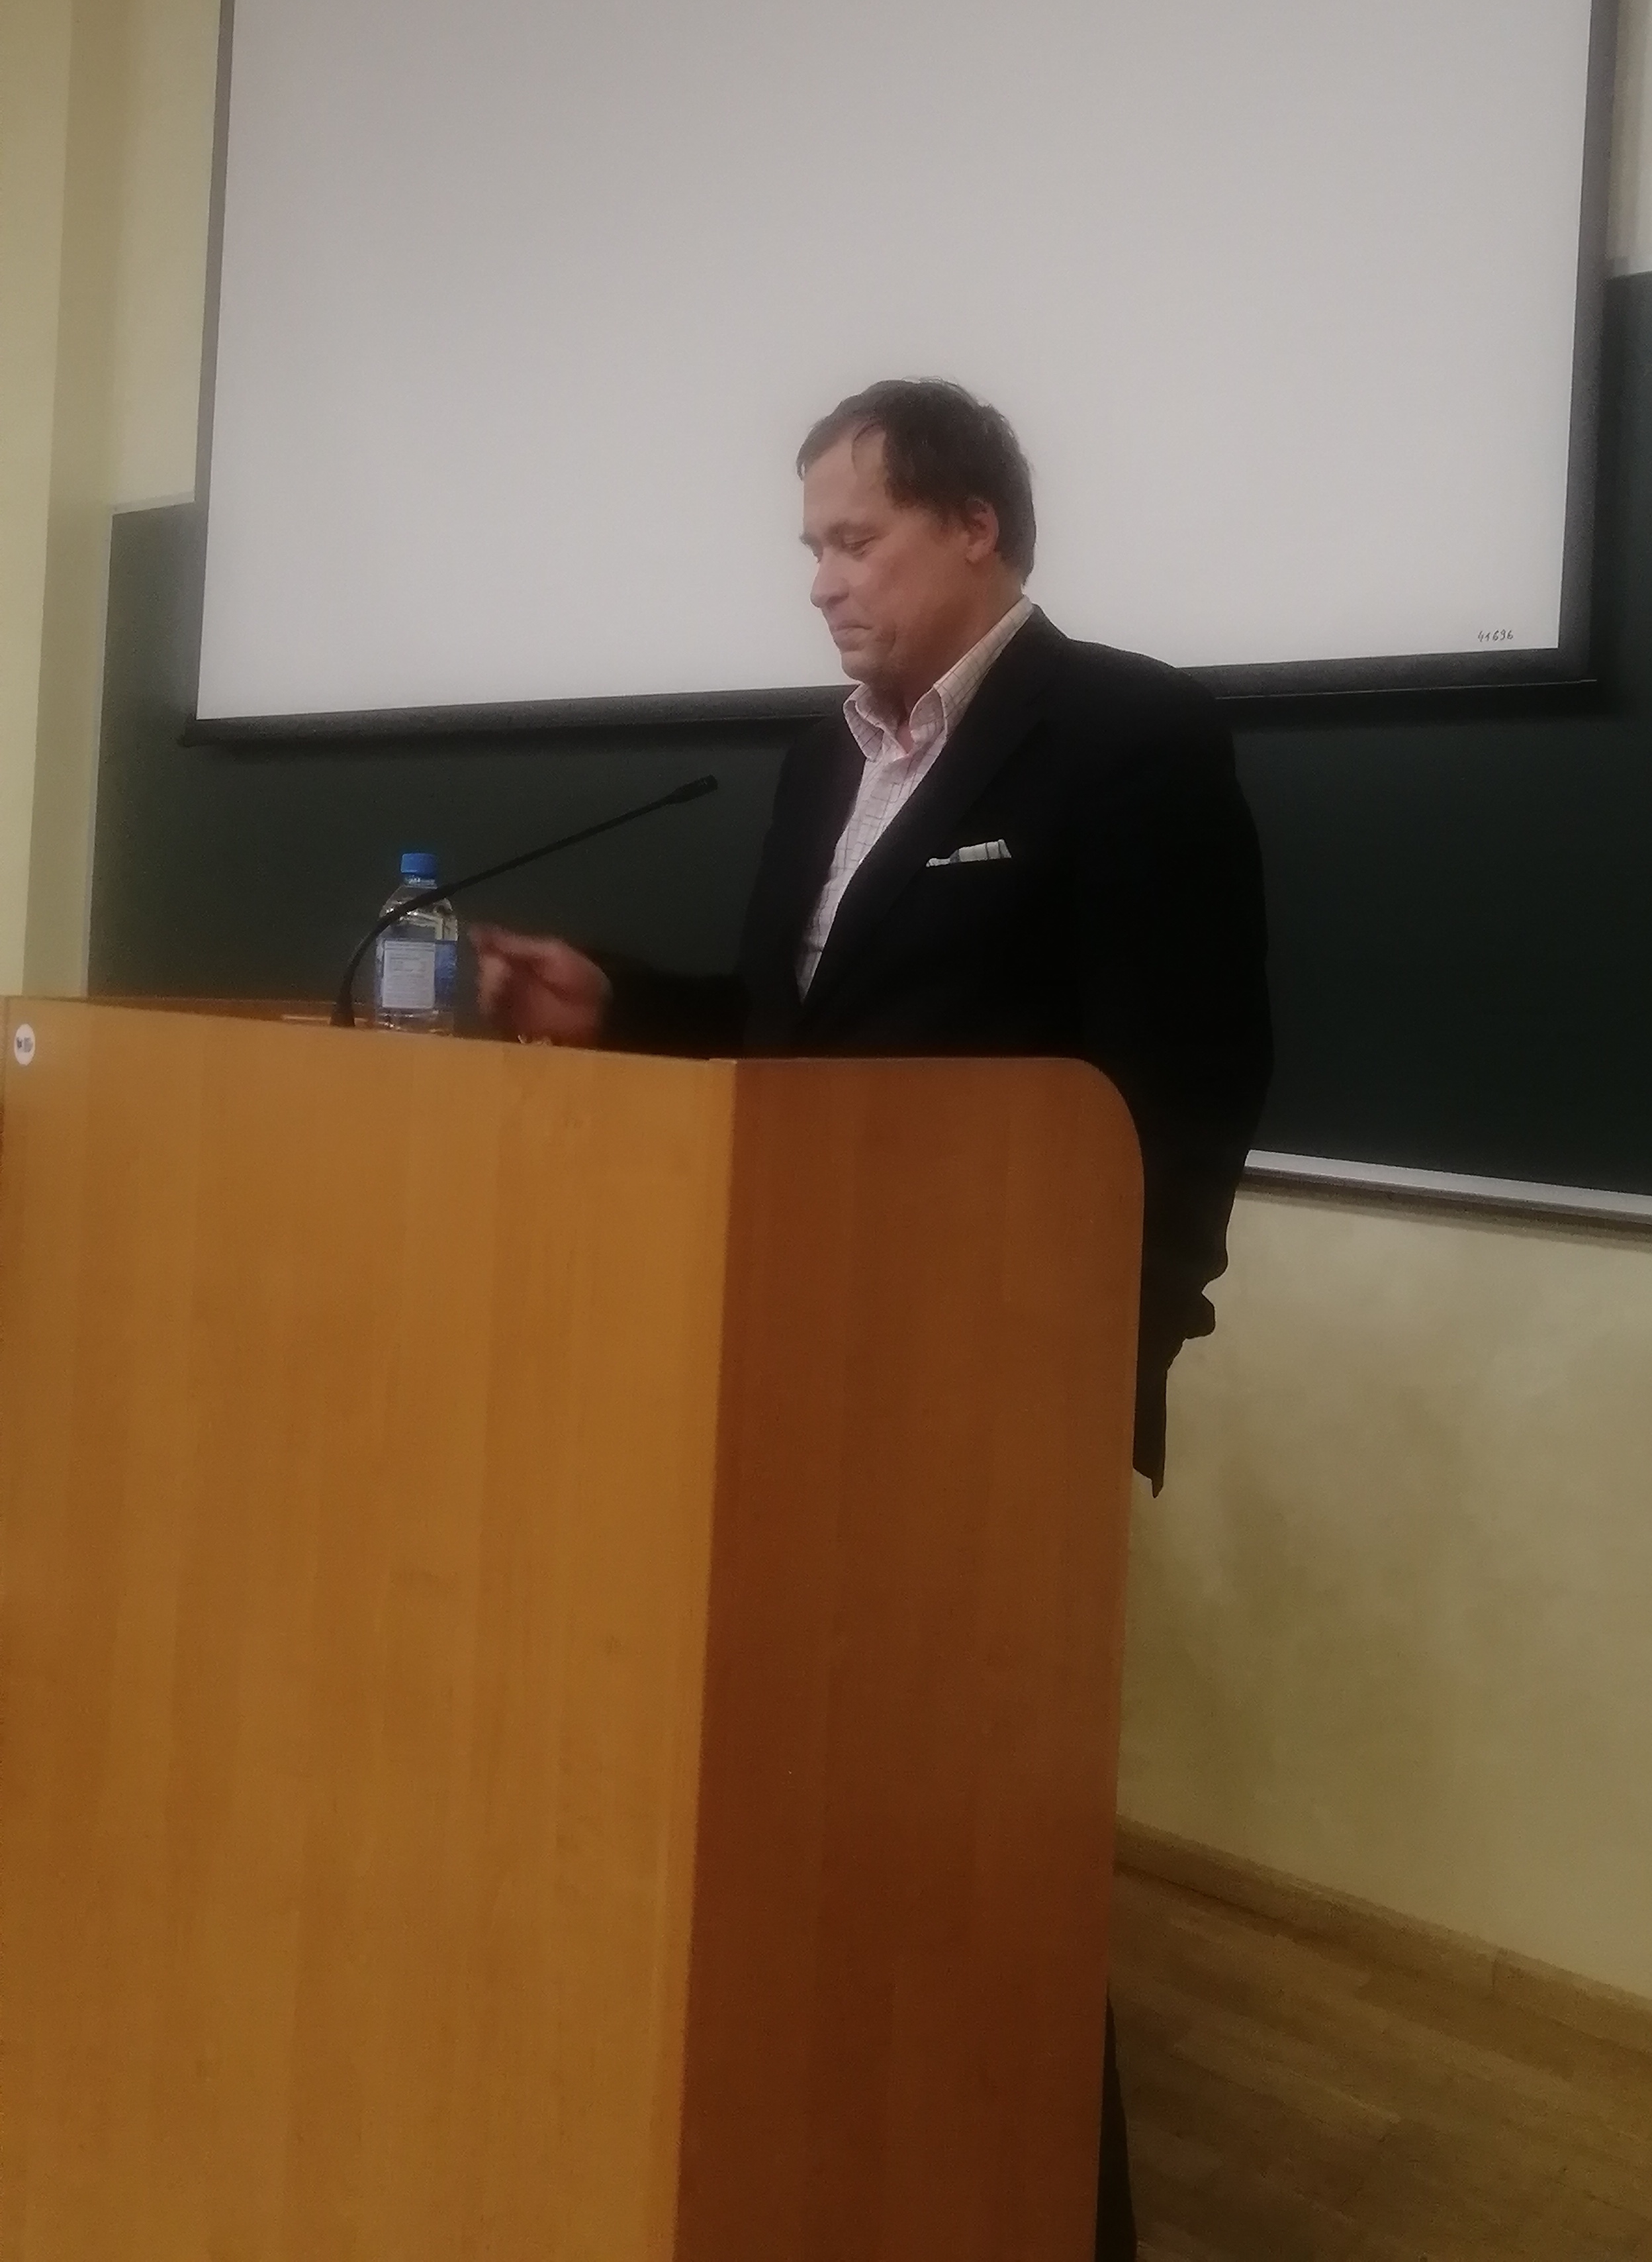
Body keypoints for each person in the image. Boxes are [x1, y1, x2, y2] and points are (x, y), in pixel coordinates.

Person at [475, 377, 1271, 2260]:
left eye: (854, 538)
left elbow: (1191, 1081)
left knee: (983, 1828)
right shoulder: (820, 763)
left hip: (995, 1394)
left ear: (975, 527)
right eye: (810, 547)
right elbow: (799, 1049)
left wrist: (1108, 1358)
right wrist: (624, 1008)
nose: (820, 582)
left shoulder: (1128, 736)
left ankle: (1048, 2211)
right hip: (794, 1367)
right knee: (826, 1803)